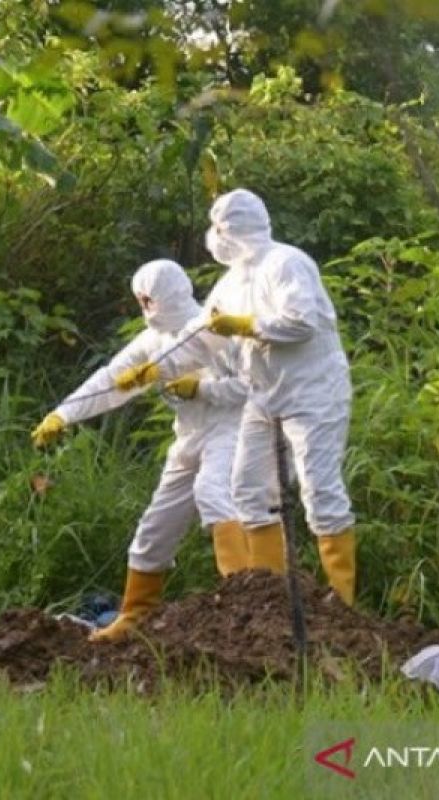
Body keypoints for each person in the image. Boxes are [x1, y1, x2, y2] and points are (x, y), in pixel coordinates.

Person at [123, 189, 358, 605]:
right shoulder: (228, 286)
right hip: (264, 396)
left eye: (219, 228)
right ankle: (271, 598)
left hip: (314, 392)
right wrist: (159, 367)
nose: (214, 238)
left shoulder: (287, 263)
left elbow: (301, 323)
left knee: (319, 490)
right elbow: (201, 341)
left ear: (236, 229)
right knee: (248, 489)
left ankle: (341, 599)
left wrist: (247, 325)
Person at [31, 259, 251, 642]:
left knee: (214, 493)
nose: (144, 308)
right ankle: (135, 615)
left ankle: (249, 605)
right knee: (155, 525)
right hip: (189, 437)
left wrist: (201, 388)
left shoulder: (213, 329)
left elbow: (252, 387)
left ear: (166, 295)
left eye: (148, 299)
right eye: (140, 300)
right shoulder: (152, 341)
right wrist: (62, 415)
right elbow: (111, 381)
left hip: (230, 428)